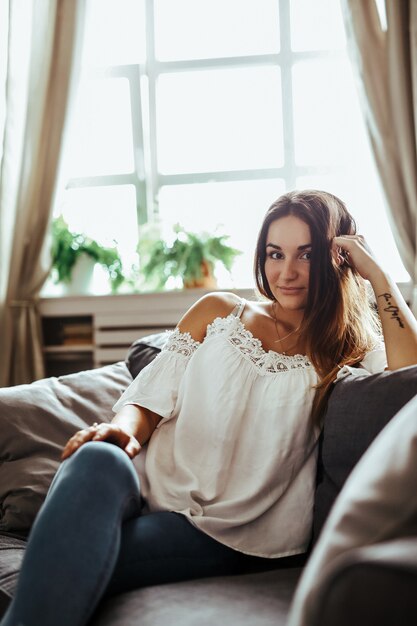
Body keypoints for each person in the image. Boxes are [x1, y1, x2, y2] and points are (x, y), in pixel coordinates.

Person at [2, 190, 417, 626]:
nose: (287, 272)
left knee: (66, 555)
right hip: (144, 489)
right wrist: (121, 431)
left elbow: (409, 380)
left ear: (339, 258)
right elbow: (149, 398)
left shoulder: (348, 350)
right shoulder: (219, 312)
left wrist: (378, 276)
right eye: (275, 254)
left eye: (307, 255)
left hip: (222, 532)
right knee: (96, 457)